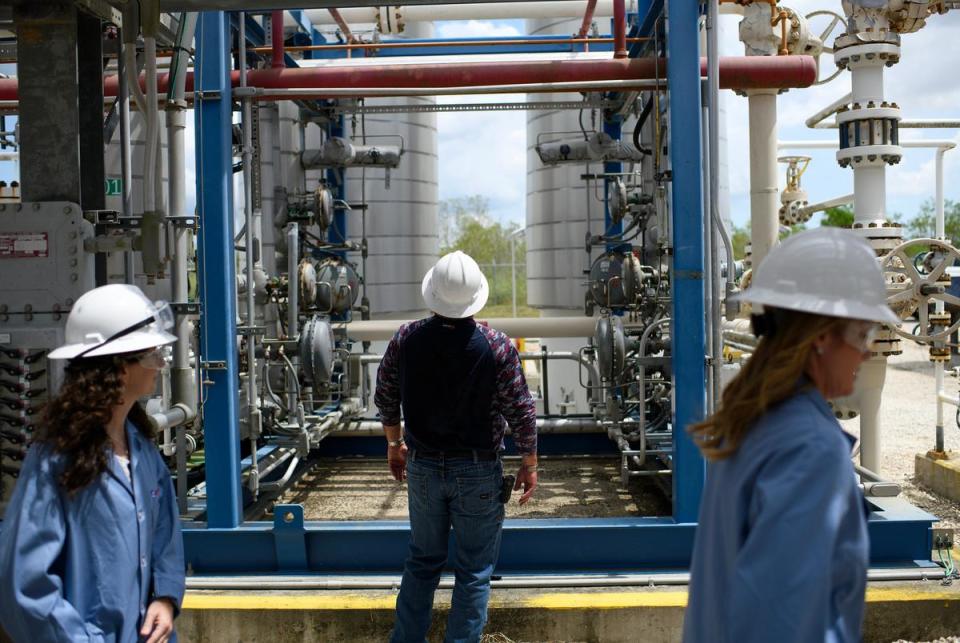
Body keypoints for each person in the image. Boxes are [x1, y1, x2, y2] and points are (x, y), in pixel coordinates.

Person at [682, 227, 899, 643]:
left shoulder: (752, 420)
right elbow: (780, 624)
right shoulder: (811, 449)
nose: (867, 352)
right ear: (819, 335)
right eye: (862, 333)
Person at [0, 284, 186, 643]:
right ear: (117, 368)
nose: (161, 364)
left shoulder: (142, 452)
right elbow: (24, 581)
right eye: (151, 355)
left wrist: (164, 597)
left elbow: (166, 535)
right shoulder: (57, 458)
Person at [375, 250, 538, 643]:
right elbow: (520, 409)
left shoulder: (406, 339)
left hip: (424, 467)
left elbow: (385, 396)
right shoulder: (496, 346)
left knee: (423, 561)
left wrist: (395, 444)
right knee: (474, 571)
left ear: (432, 293)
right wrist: (529, 461)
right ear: (476, 296)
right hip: (479, 470)